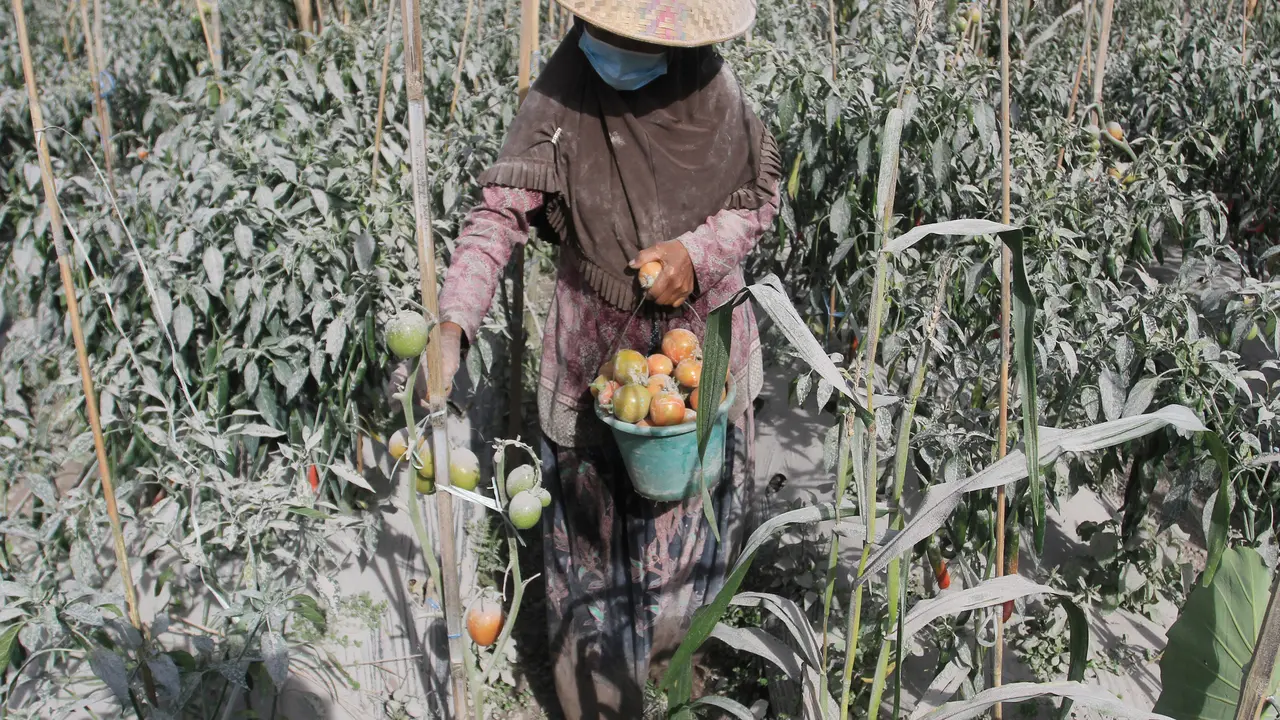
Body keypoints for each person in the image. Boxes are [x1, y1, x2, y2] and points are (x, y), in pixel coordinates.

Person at [434, 0, 780, 715]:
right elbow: (498, 216)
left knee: (693, 552)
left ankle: (679, 675)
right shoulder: (561, 97)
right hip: (596, 353)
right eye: (610, 34)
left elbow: (758, 199)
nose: (619, 52)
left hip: (701, 353)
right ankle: (601, 703)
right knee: (589, 567)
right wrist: (453, 320)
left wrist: (697, 252)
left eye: (639, 40)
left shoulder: (711, 92)